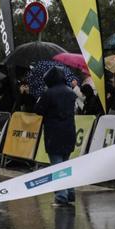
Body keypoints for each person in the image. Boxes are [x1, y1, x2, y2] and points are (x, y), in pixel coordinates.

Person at [36, 66, 77, 208]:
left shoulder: (48, 93)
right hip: (69, 131)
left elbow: (39, 110)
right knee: (66, 165)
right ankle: (70, 192)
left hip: (54, 133)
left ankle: (61, 196)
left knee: (57, 165)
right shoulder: (71, 92)